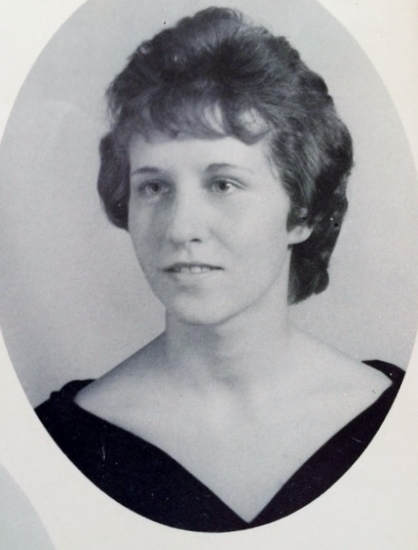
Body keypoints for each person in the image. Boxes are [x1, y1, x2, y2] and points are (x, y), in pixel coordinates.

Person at [35, 7, 404, 532]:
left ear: (303, 212)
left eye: (223, 184)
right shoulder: (60, 439)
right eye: (153, 187)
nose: (180, 227)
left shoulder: (397, 420)